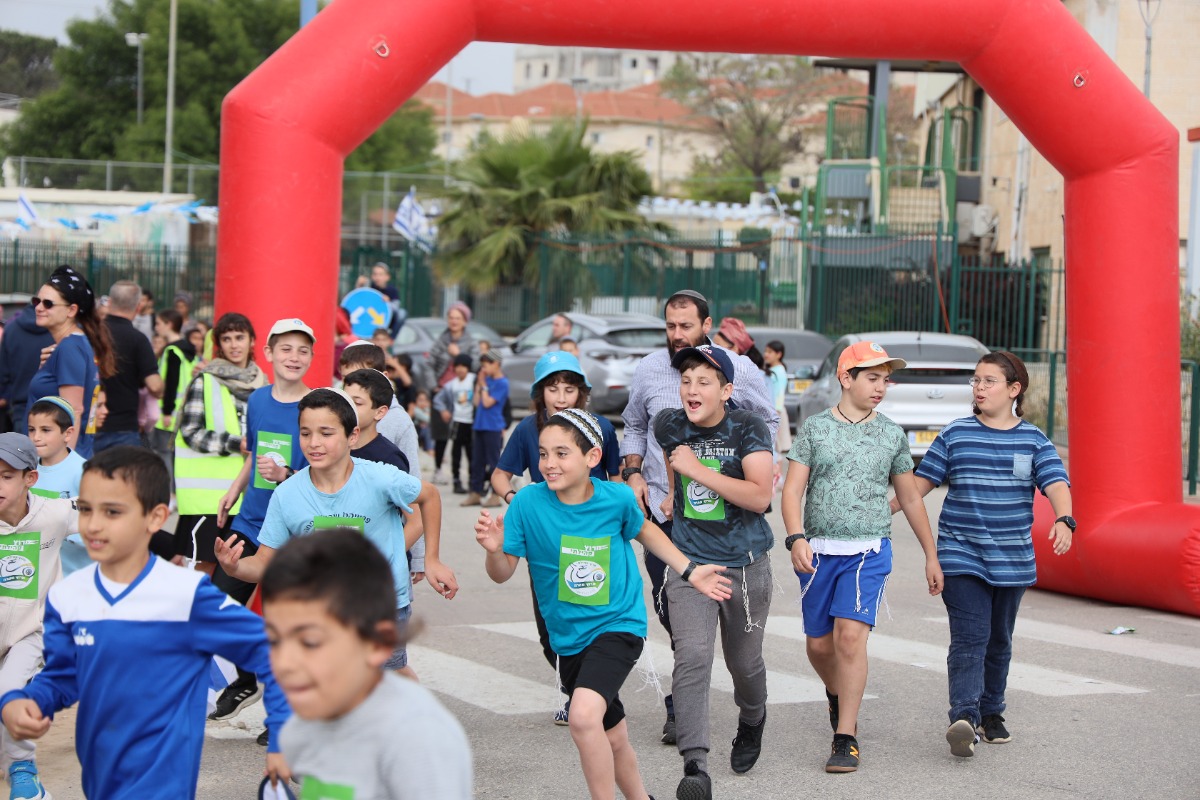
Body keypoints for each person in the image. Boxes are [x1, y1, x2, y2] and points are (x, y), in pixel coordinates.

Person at [0, 446, 290, 798]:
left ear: (155, 518)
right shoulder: (67, 598)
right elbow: (64, 675)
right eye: (87, 509)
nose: (93, 524)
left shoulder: (188, 596)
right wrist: (28, 702)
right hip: (100, 780)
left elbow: (277, 657)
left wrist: (282, 738)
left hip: (162, 785)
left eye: (112, 511)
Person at [474, 409, 733, 800]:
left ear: (592, 457)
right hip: (568, 639)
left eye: (562, 453)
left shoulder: (615, 499)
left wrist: (690, 570)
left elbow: (645, 531)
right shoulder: (527, 503)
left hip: (618, 625)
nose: (549, 464)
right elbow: (502, 571)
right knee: (612, 737)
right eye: (543, 454)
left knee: (581, 718)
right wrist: (494, 550)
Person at [892, 351, 1073, 758]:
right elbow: (920, 485)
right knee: (971, 636)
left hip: (1012, 559)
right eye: (975, 380)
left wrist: (1065, 519)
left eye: (989, 381)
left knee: (999, 641)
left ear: (1014, 389)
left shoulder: (1033, 439)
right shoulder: (955, 434)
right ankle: (965, 717)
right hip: (961, 552)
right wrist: (883, 509)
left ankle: (992, 712)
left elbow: (1056, 483)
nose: (979, 388)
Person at [620, 289, 779, 743]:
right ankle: (687, 720)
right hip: (669, 515)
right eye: (669, 326)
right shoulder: (652, 370)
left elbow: (765, 420)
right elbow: (640, 427)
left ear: (706, 324)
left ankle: (747, 713)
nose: (675, 334)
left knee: (742, 659)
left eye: (685, 326)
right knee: (685, 632)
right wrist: (640, 477)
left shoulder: (739, 369)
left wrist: (748, 461)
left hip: (735, 522)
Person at [780, 340, 943, 774]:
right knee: (819, 645)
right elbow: (793, 489)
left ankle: (845, 737)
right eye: (872, 377)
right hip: (818, 552)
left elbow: (909, 498)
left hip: (869, 549)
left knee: (849, 638)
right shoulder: (815, 428)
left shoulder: (891, 433)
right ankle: (837, 693)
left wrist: (932, 555)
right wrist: (795, 537)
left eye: (885, 379)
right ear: (845, 378)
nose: (881, 387)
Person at [214, 388, 459, 677]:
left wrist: (431, 559)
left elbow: (429, 496)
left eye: (326, 433)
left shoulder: (378, 478)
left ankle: (412, 715)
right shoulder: (287, 494)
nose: (314, 443)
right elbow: (266, 561)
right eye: (305, 433)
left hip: (381, 601)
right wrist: (235, 567)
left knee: (386, 677)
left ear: (352, 436)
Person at [651, 345, 775, 798]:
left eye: (704, 381)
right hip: (690, 562)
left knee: (744, 663)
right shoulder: (669, 423)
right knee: (693, 658)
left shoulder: (747, 426)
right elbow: (674, 463)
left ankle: (752, 716)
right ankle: (695, 767)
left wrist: (696, 471)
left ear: (726, 390)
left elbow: (760, 497)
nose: (691, 389)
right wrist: (674, 494)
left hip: (745, 564)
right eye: (686, 381)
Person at [264, 529, 472, 797]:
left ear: (377, 644)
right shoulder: (302, 726)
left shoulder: (416, 736)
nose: (285, 662)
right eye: (274, 640)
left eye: (310, 642)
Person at [490, 350, 622, 723]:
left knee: (598, 622)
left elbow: (615, 481)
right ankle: (577, 688)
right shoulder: (527, 431)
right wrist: (518, 501)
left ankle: (590, 695)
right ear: (540, 393)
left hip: (593, 537)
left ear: (581, 393)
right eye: (552, 389)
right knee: (552, 629)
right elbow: (501, 476)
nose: (561, 397)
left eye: (568, 389)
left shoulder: (601, 428)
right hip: (545, 540)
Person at [206, 319, 314, 727]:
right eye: (285, 349)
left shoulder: (317, 405)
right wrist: (234, 490)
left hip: (294, 535)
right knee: (217, 610)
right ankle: (248, 679)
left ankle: (286, 722)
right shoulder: (258, 400)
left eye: (303, 351)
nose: (294, 357)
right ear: (268, 353)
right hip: (250, 522)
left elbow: (323, 474)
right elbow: (253, 455)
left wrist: (286, 476)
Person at [0, 433, 74, 800]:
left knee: (9, 692)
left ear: (30, 478)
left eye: (6, 475)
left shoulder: (55, 513)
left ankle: (23, 769)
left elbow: (103, 515)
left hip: (31, 630)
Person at [174, 312, 266, 575]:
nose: (234, 344)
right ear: (219, 344)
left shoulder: (265, 384)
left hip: (249, 497)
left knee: (242, 570)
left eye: (240, 337)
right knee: (203, 569)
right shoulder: (205, 380)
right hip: (208, 499)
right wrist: (236, 443)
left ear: (252, 341)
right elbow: (190, 431)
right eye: (227, 339)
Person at [27, 266, 116, 459]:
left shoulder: (70, 347)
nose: (39, 307)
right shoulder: (75, 344)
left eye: (48, 303)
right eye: (37, 301)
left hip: (60, 460)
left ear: (71, 310)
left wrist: (64, 467)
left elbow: (73, 410)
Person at [95, 281, 163, 453]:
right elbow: (155, 386)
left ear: (109, 302)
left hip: (90, 424)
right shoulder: (138, 340)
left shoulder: (91, 334)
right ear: (138, 307)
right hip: (125, 428)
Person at [148, 308, 197, 474]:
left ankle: (168, 494)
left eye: (159, 324)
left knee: (163, 453)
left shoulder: (172, 351)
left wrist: (167, 411)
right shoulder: (188, 350)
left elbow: (171, 383)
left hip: (168, 413)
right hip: (183, 411)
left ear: (169, 325)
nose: (156, 327)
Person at [0, 302, 53, 438]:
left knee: (23, 456)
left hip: (21, 408)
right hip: (55, 407)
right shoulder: (58, 329)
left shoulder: (11, 329)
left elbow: (3, 374)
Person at [462, 351, 508, 507]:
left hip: (493, 427)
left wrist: (483, 386)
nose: (484, 368)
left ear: (496, 364)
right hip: (480, 425)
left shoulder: (502, 383)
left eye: (487, 365)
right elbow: (476, 402)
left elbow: (488, 403)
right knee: (477, 461)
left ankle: (495, 494)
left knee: (493, 461)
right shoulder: (485, 381)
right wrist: (479, 386)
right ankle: (475, 492)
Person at [343, 369, 410, 473]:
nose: (347, 406)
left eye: (357, 403)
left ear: (380, 412)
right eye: (345, 400)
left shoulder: (389, 459)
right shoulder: (334, 447)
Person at [434, 354, 475, 495]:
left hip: (472, 422)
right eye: (457, 366)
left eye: (463, 366)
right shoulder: (451, 385)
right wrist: (443, 410)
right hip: (458, 421)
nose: (460, 369)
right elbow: (437, 400)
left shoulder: (474, 381)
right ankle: (457, 481)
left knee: (472, 453)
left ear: (468, 368)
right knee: (456, 453)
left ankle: (473, 481)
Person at [428, 301, 479, 392]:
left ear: (465, 322)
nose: (454, 321)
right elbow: (429, 364)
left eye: (458, 318)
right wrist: (433, 387)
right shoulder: (440, 341)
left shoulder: (472, 343)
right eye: (451, 318)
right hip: (441, 389)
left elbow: (475, 366)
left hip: (464, 391)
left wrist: (459, 355)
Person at [762, 340, 791, 487]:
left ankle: (777, 476)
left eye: (770, 352)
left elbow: (779, 395)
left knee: (774, 445)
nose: (766, 354)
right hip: (772, 411)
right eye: (766, 351)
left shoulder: (779, 371)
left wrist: (776, 413)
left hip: (775, 412)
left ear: (779, 354)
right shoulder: (771, 369)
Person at [412, 389, 434, 456]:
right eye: (420, 400)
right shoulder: (416, 410)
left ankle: (434, 449)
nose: (422, 402)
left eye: (424, 400)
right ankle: (430, 450)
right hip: (417, 431)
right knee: (428, 430)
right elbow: (429, 419)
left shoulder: (425, 409)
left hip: (424, 431)